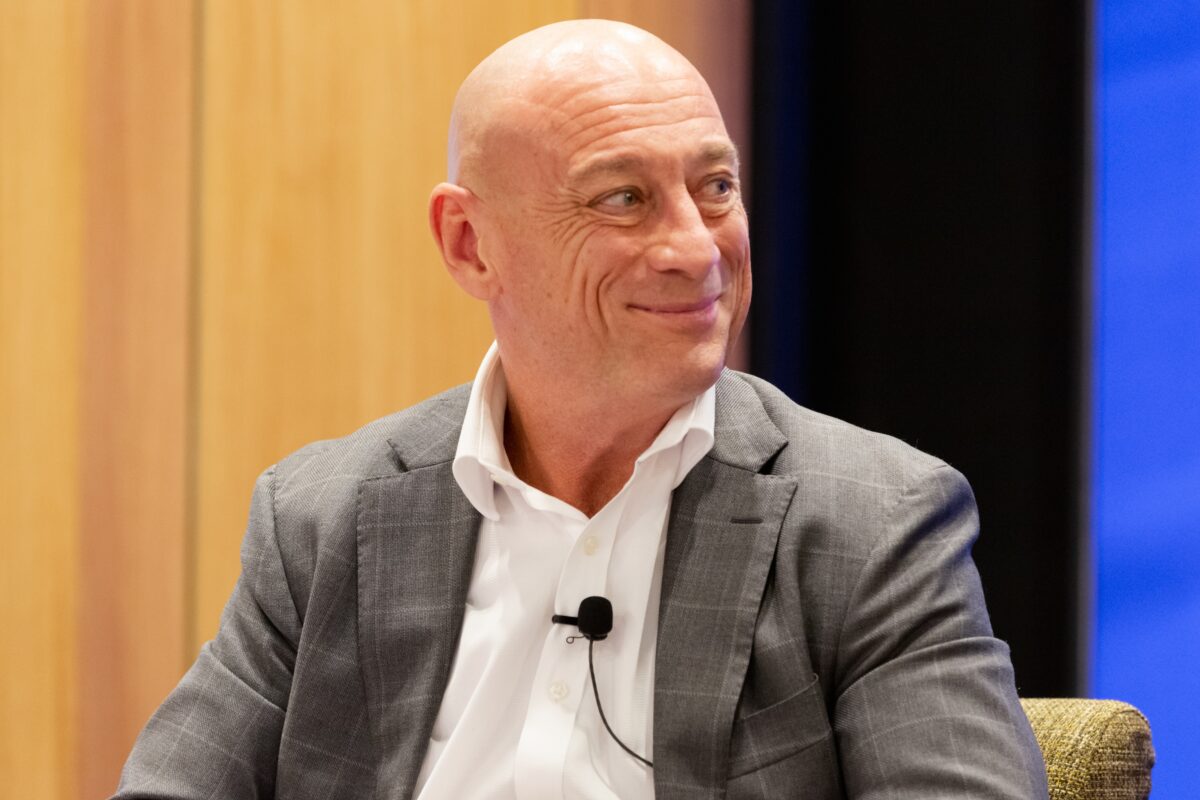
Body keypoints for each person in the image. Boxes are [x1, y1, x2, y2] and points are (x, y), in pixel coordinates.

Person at [114, 19, 1048, 800]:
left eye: (716, 188)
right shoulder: (322, 520)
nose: (697, 250)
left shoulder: (872, 524)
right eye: (625, 199)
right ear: (470, 243)